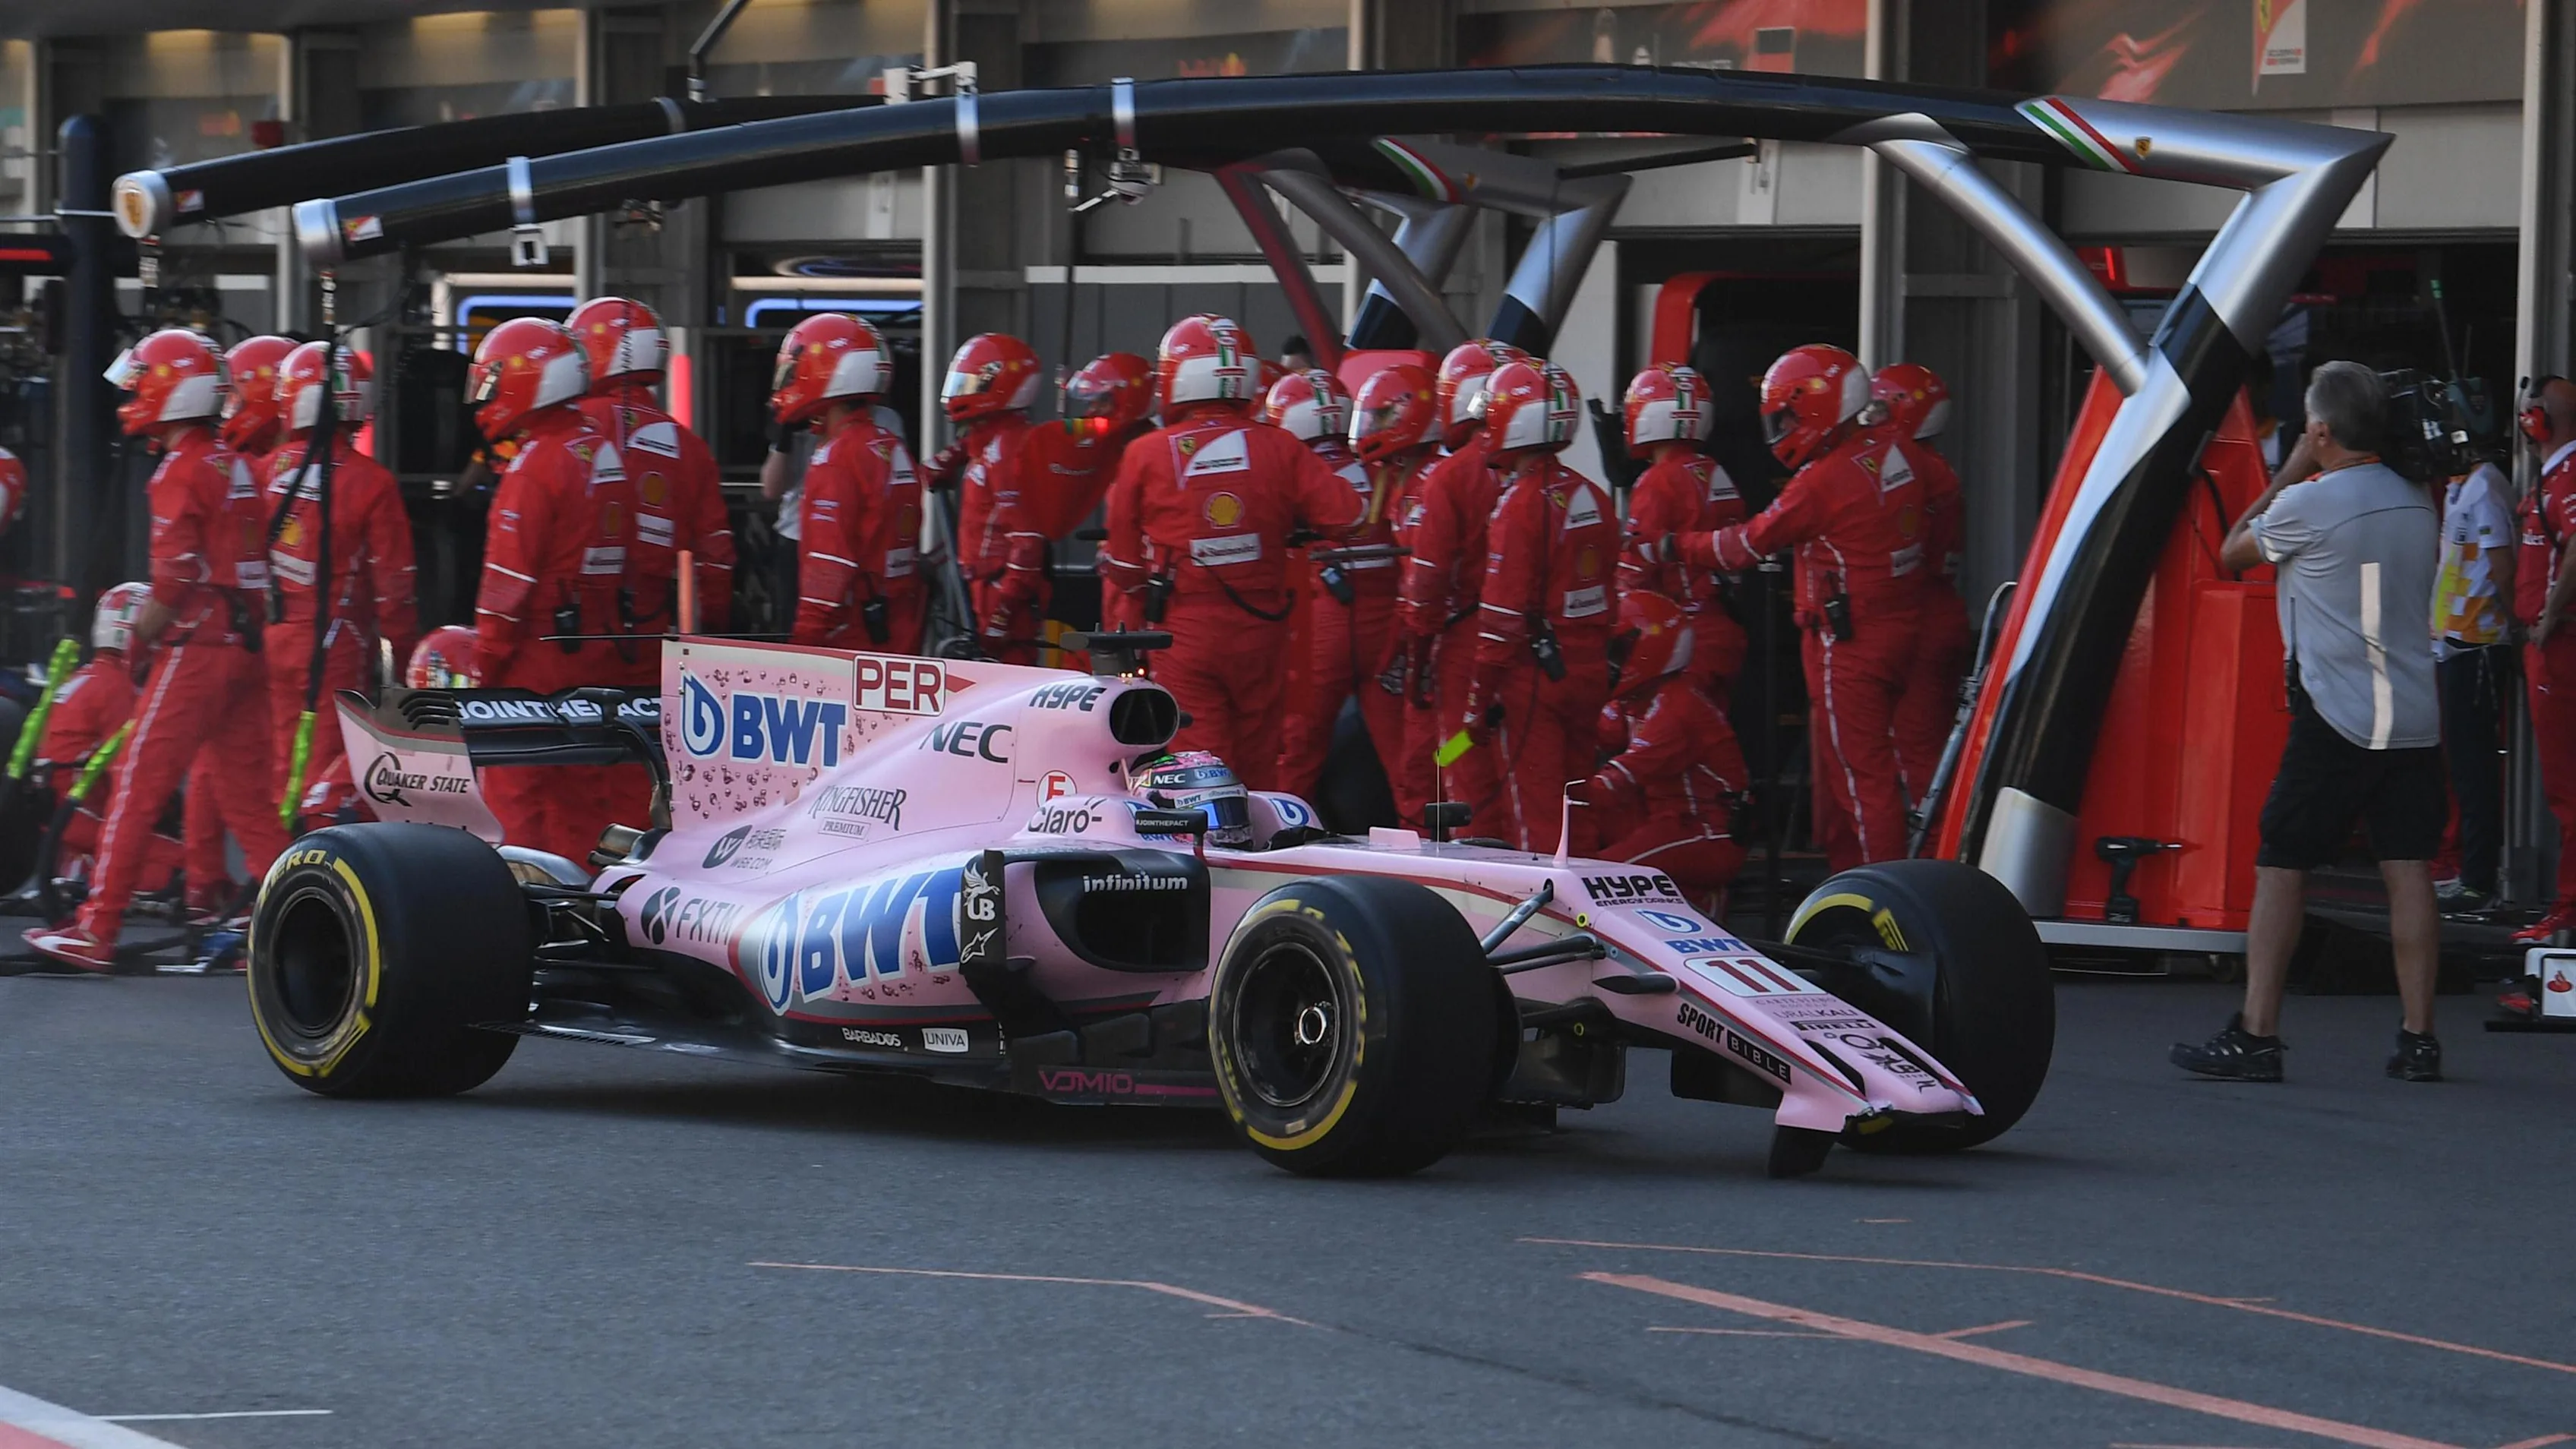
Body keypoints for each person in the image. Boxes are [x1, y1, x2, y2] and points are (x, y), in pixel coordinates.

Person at [2173, 361, 2443, 1082]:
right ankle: (2419, 1037)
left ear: (2320, 430)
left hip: (2336, 710)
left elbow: (2232, 550)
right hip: (2413, 711)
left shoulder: (2309, 503)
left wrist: (2289, 470)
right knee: (2408, 866)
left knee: (2282, 862)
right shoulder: (2417, 499)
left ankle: (2257, 1033)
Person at [28, 330, 289, 968]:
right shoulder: (235, 465)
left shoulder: (178, 471)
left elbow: (172, 581)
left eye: (144, 379)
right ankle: (299, 921)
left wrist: (137, 642)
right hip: (246, 647)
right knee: (251, 802)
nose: (135, 392)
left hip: (197, 647)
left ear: (174, 391)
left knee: (137, 785)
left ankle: (97, 928)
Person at [1663, 343, 1925, 872]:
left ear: (1818, 406)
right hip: (1900, 623)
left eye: (1787, 415)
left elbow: (1744, 546)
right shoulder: (1897, 449)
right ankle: (1855, 880)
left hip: (1848, 642)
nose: (1781, 429)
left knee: (1860, 778)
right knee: (1864, 772)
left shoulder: (1823, 481)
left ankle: (1885, 894)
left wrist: (1676, 544)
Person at [1099, 314, 1364, 787]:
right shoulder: (1281, 447)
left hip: (1186, 631)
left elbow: (1123, 566)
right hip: (1265, 629)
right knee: (1260, 762)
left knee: (1201, 765)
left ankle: (1213, 834)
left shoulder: (1147, 452)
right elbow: (1349, 515)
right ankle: (1260, 834)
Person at [468, 316, 641, 865]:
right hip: (597, 649)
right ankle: (588, 900)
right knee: (582, 800)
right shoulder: (602, 450)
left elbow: (507, 586)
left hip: (535, 657)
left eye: (493, 381)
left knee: (514, 794)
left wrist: (484, 665)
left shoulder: (537, 463)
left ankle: (517, 906)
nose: (485, 397)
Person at [1465, 358, 1619, 854]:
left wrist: (1475, 704)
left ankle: (1545, 908)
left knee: (1537, 818)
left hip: (1533, 683)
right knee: (1578, 807)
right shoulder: (1593, 495)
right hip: (1588, 674)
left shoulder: (1519, 505)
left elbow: (1500, 621)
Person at [265, 342, 419, 825]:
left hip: (268, 639)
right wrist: (406, 667)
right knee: (325, 773)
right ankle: (313, 857)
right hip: (334, 645)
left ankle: (277, 857)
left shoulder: (262, 470)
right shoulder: (372, 483)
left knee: (277, 767)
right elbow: (395, 590)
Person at [1395, 340, 1525, 832]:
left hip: (1466, 646)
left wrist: (1418, 663)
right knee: (1522, 768)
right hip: (1534, 648)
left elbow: (1426, 585)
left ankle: (1472, 857)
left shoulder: (1451, 477)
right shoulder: (1553, 483)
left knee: (1463, 763)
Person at [1267, 368, 1402, 801]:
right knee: (1409, 753)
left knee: (1298, 745)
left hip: (1322, 620)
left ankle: (1286, 828)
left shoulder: (1293, 473)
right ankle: (1430, 831)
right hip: (1392, 621)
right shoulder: (1383, 468)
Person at [571, 296, 734, 649]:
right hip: (650, 628)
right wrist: (715, 623)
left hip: (574, 626)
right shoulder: (691, 447)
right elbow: (717, 555)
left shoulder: (573, 429)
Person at [1581, 591, 1748, 909]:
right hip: (1667, 820)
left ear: (1648, 649)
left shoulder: (1676, 709)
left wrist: (1553, 795)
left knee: (1595, 877)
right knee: (1583, 844)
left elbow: (1615, 782)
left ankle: (1703, 906)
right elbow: (1592, 737)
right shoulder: (1636, 700)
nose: (1609, 662)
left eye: (1617, 651)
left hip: (1706, 831)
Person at [775, 314, 925, 653]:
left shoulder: (837, 458)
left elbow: (829, 570)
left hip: (850, 640)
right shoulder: (891, 445)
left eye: (795, 371)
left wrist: (803, 647)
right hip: (898, 632)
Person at [33, 583, 188, 890]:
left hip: (61, 809)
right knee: (186, 862)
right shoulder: (117, 687)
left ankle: (80, 868)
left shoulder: (86, 675)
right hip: (80, 814)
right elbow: (133, 768)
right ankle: (85, 877)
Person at [940, 332, 1083, 663]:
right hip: (985, 590)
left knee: (1006, 686)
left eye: (972, 383)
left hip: (1004, 597)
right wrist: (953, 455)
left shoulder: (1010, 448)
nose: (963, 391)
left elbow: (1028, 542)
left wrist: (1002, 614)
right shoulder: (995, 440)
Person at [1350, 362, 1443, 824]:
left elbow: (1426, 582)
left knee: (1431, 766)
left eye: (1383, 416)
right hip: (1429, 640)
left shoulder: (1432, 484)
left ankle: (1429, 845)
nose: (1373, 426)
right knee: (1434, 762)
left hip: (1444, 643)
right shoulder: (1405, 481)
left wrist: (1410, 650)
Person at [1875, 362, 1971, 806]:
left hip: (1920, 617)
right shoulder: (1937, 468)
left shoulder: (1909, 470)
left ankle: (1933, 842)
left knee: (1917, 751)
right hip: (1941, 611)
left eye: (1879, 407)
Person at [1618, 362, 1747, 690]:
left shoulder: (1657, 480)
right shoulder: (1716, 471)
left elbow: (1634, 569)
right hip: (1726, 626)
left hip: (1683, 636)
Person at [2430, 442, 2518, 911]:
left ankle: (2479, 879)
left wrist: (2517, 626)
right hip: (2455, 641)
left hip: (2478, 643)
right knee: (2463, 766)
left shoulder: (2484, 487)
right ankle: (2471, 872)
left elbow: (2501, 568)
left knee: (2475, 767)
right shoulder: (2460, 487)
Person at [2511, 374, 2576, 941]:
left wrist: (2551, 615)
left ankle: (2569, 909)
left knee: (2566, 787)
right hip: (2550, 646)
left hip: (2560, 648)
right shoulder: (2554, 476)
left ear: (2539, 422)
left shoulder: (2569, 475)